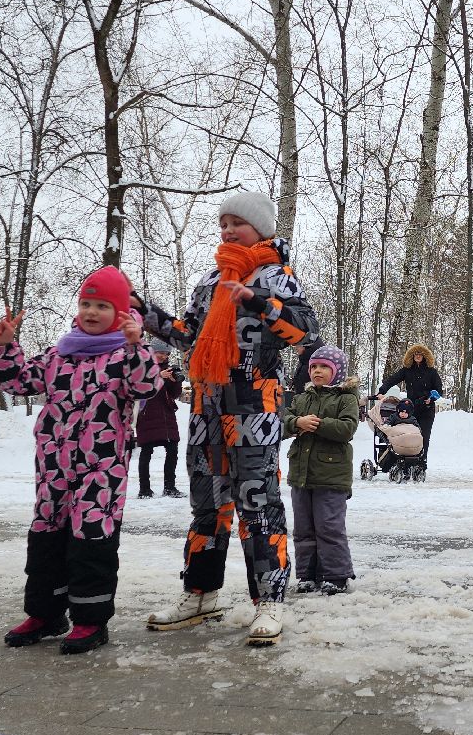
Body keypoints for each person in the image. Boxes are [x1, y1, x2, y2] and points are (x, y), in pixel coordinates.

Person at [137, 190, 319, 645]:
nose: (227, 230)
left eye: (236, 222)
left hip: (254, 410)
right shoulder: (210, 279)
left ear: (261, 228)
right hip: (205, 410)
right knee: (206, 507)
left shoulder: (277, 276)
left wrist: (258, 301)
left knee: (258, 505)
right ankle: (200, 594)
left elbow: (304, 330)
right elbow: (187, 335)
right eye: (222, 223)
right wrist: (145, 313)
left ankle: (270, 599)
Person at [0, 266, 161, 654]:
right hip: (54, 463)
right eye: (86, 303)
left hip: (102, 467)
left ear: (120, 313)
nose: (91, 312)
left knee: (91, 536)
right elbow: (19, 382)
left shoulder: (123, 355)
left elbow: (146, 385)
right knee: (46, 533)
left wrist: (137, 347)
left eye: (102, 305)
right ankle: (46, 613)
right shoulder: (58, 353)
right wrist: (4, 348)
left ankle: (89, 620)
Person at [284, 345, 360, 595]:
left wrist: (315, 424)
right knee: (304, 527)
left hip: (332, 475)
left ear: (336, 371)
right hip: (301, 474)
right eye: (314, 367)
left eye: (324, 367)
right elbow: (283, 423)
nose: (317, 371)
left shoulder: (346, 398)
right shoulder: (302, 398)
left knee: (329, 526)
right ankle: (308, 574)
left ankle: (336, 574)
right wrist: (297, 422)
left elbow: (347, 428)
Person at [375, 344, 443, 459]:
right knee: (409, 436)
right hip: (410, 410)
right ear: (411, 356)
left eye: (420, 354)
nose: (417, 356)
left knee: (424, 437)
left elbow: (439, 390)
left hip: (427, 410)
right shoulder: (407, 371)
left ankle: (421, 463)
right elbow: (392, 380)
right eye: (415, 354)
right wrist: (382, 391)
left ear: (424, 356)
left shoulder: (432, 372)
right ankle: (407, 464)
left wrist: (431, 399)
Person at [136, 337, 184, 498]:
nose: (164, 356)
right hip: (147, 415)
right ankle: (144, 489)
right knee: (146, 452)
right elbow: (139, 387)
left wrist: (174, 382)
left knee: (172, 450)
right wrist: (159, 376)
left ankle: (170, 487)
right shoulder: (143, 367)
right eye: (161, 353)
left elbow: (175, 395)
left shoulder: (169, 370)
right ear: (153, 352)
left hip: (166, 416)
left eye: (166, 353)